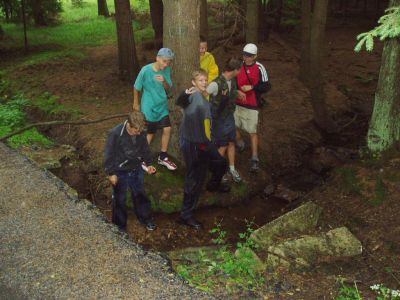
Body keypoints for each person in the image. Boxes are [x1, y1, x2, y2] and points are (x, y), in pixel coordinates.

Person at [176, 69, 230, 230]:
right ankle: (185, 216)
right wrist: (185, 93)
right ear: (193, 83)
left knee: (220, 162)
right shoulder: (195, 97)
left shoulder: (199, 96)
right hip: (194, 144)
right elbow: (182, 102)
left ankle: (214, 184)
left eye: (205, 80)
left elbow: (180, 102)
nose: (204, 83)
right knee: (195, 178)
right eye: (200, 80)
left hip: (202, 142)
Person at [104, 111, 157, 231]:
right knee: (119, 199)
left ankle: (146, 218)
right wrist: (111, 173)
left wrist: (149, 164)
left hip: (136, 168)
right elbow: (108, 154)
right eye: (136, 131)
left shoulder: (141, 130)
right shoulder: (115, 133)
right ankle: (119, 226)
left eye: (140, 131)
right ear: (129, 124)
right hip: (119, 171)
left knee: (140, 194)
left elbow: (145, 148)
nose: (138, 133)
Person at [133, 47, 177, 171]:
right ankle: (142, 159)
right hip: (149, 107)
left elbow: (168, 87)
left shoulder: (166, 70)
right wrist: (136, 103)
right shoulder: (145, 70)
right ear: (157, 58)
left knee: (167, 129)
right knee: (150, 133)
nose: (166, 64)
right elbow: (136, 87)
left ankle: (163, 157)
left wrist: (164, 81)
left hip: (162, 106)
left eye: (168, 62)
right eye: (164, 61)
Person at [207, 58, 245, 183]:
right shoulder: (215, 84)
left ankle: (232, 169)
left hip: (229, 116)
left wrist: (237, 92)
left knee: (231, 142)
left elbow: (230, 93)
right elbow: (203, 94)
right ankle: (218, 172)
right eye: (239, 70)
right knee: (222, 145)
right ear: (235, 70)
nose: (240, 72)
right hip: (218, 119)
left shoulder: (232, 80)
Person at [235, 43, 271, 173]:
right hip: (237, 102)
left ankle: (255, 158)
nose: (247, 58)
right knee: (232, 125)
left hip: (252, 104)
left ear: (255, 56)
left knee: (252, 131)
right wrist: (236, 91)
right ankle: (240, 143)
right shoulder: (238, 66)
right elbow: (232, 80)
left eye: (250, 56)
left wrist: (253, 88)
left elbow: (267, 86)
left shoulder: (260, 67)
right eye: (245, 55)